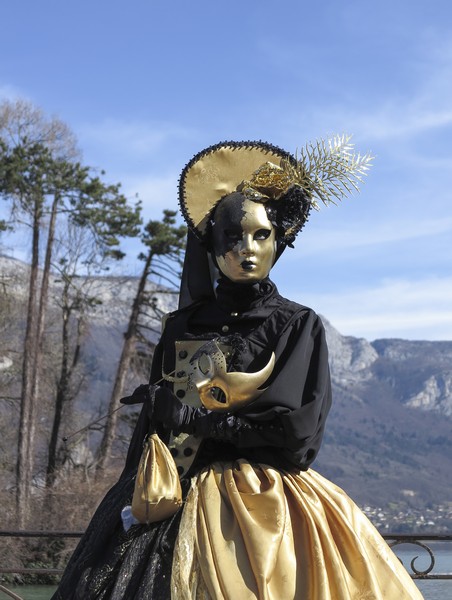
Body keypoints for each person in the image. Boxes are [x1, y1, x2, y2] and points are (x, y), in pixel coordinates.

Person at [53, 140, 423, 599]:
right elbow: (155, 433)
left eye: (260, 235)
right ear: (212, 244)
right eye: (233, 236)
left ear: (279, 241)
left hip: (265, 504)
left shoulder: (296, 325)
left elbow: (297, 437)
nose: (247, 248)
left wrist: (196, 419)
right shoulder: (182, 325)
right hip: (169, 498)